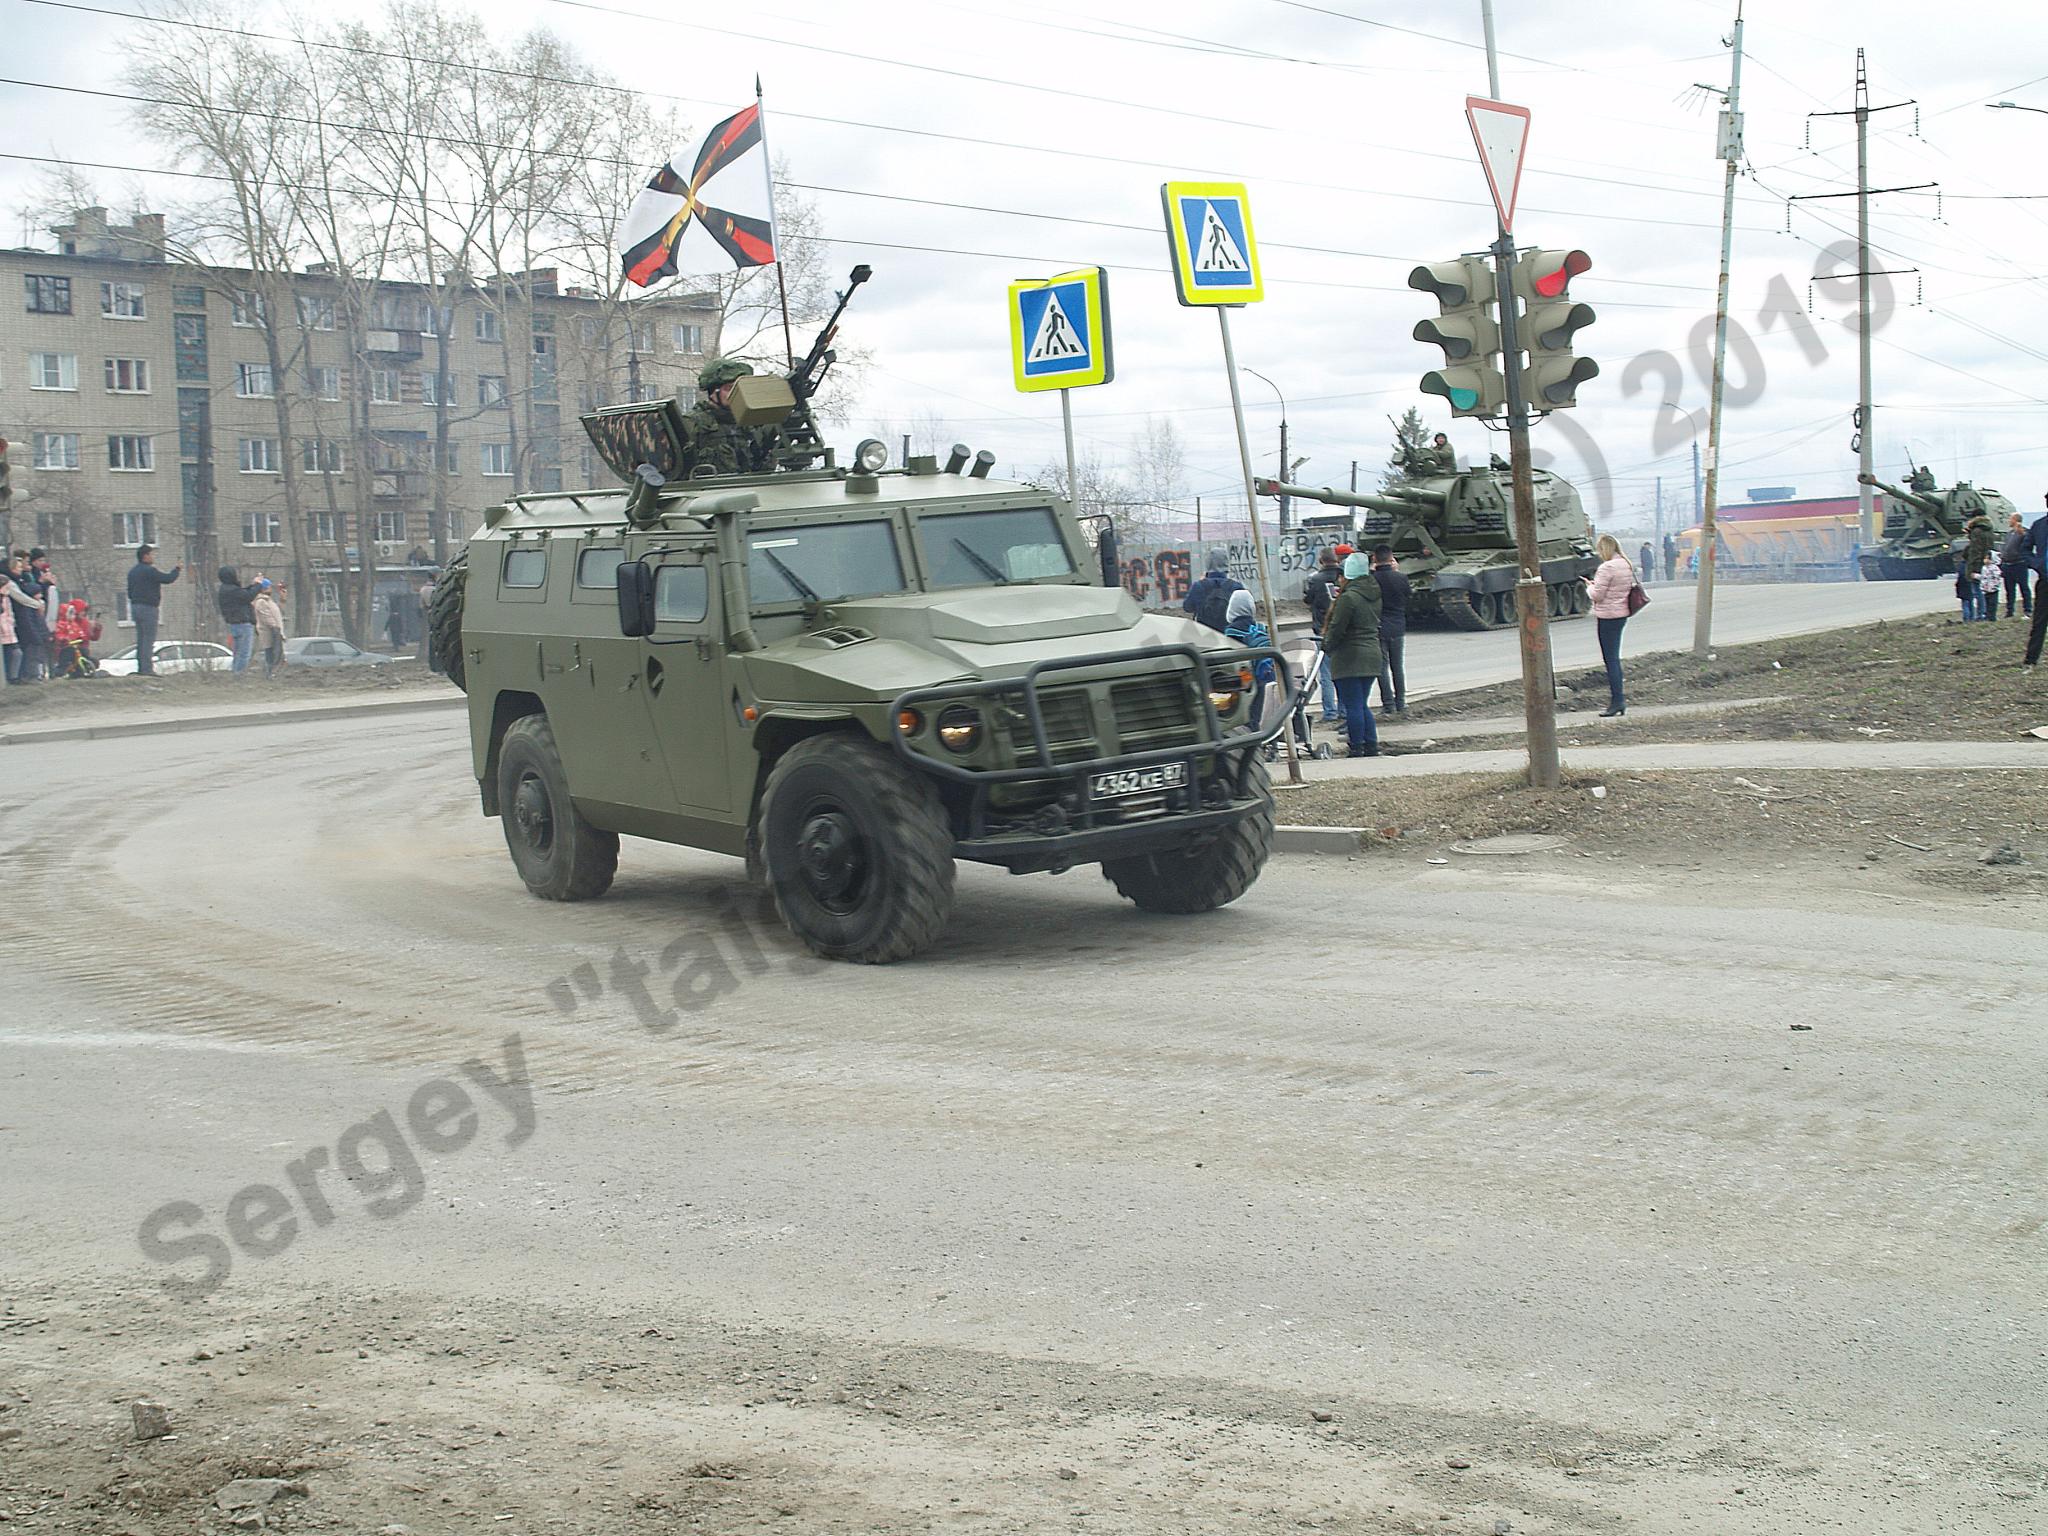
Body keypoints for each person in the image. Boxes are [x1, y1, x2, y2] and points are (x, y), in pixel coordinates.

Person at [1320, 551, 1384, 757]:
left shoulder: (1348, 598)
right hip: (1372, 654)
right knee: (1361, 704)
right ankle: (1371, 744)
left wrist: (1326, 645)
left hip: (1350, 657)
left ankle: (1356, 746)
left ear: (1347, 574)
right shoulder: (1373, 593)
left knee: (1353, 705)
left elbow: (1337, 627)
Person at [679, 358, 772, 477]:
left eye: (739, 388)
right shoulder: (692, 424)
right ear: (713, 392)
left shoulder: (748, 422)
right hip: (708, 492)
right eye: (729, 389)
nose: (736, 393)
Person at [1585, 534, 1637, 717]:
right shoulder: (1625, 564)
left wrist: (1589, 587)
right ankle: (1618, 700)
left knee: (1611, 659)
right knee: (1614, 657)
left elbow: (1597, 595)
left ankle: (1617, 701)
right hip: (1621, 613)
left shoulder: (1606, 568)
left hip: (1607, 616)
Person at [1222, 590, 1279, 730]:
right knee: (1262, 713)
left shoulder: (1231, 632)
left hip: (1245, 681)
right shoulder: (1260, 628)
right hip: (1265, 678)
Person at [126, 544, 182, 676]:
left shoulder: (132, 572)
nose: (153, 557)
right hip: (148, 608)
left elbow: (129, 592)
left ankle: (141, 667)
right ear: (145, 556)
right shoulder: (149, 571)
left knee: (141, 638)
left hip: (135, 607)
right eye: (151, 554)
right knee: (148, 639)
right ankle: (147, 669)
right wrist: (177, 569)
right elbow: (167, 579)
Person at [1302, 546, 1343, 723]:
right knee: (1342, 672)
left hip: (1322, 629)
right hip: (1342, 629)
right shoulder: (1344, 577)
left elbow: (1308, 599)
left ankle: (1330, 712)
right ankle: (1344, 710)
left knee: (1326, 674)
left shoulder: (1315, 579)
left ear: (1321, 560)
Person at [1370, 544, 1409, 715]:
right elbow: (1408, 595)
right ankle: (1401, 702)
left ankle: (1388, 704)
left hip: (1378, 626)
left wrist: (1372, 570)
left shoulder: (1371, 579)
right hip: (1398, 626)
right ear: (1391, 557)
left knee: (1381, 668)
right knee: (1397, 666)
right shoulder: (1401, 578)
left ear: (1374, 558)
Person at [1, 555, 45, 685]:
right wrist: (38, 604)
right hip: (8, 624)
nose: (22, 570)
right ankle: (12, 678)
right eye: (19, 567)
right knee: (15, 652)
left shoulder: (15, 581)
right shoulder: (7, 582)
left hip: (10, 623)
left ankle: (12, 678)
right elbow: (21, 598)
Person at [215, 565, 264, 673]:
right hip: (243, 624)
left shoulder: (226, 589)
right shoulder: (231, 590)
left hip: (234, 625)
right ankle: (239, 676)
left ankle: (236, 674)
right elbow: (248, 596)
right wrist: (259, 584)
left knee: (238, 653)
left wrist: (254, 585)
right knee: (244, 654)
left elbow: (243, 593)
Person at [1182, 548, 1242, 634]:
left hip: (1204, 635)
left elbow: (1187, 607)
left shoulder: (1199, 586)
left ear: (1208, 563)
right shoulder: (1236, 586)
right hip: (1230, 635)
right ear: (1226, 562)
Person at [2023, 495, 2048, 665]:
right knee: (2039, 621)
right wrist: (2036, 564)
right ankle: (2031, 660)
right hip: (2045, 580)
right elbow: (2025, 549)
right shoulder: (2039, 525)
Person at [52, 599, 101, 677]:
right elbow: (59, 634)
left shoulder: (83, 622)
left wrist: (96, 629)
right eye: (82, 611)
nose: (84, 613)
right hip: (69, 648)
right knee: (67, 660)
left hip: (81, 649)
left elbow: (92, 637)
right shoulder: (66, 623)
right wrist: (66, 639)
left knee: (91, 661)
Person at [2000, 512, 2033, 620]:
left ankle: (2028, 610)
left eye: (2010, 519)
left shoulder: (2024, 531)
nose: (2009, 521)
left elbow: (2029, 543)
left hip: (2019, 564)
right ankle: (2010, 611)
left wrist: (2022, 533)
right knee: (2009, 590)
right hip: (2007, 565)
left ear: (2015, 519)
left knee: (2024, 588)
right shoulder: (2009, 534)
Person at [253, 579, 287, 679]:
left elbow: (279, 612)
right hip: (269, 633)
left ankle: (273, 674)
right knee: (270, 654)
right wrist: (275, 628)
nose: (271, 589)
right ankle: (269, 674)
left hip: (274, 632)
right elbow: (266, 617)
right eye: (269, 587)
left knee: (276, 654)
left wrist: (282, 599)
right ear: (263, 589)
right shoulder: (261, 601)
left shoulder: (268, 601)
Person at [1979, 547, 2003, 623]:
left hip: (1993, 589)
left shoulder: (1994, 568)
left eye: (1988, 558)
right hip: (1985, 589)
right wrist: (1976, 576)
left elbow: (1997, 576)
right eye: (1985, 558)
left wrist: (1994, 582)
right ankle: (1987, 616)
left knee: (1993, 604)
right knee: (1987, 603)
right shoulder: (1984, 568)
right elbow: (1983, 576)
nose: (1985, 560)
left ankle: (1992, 617)